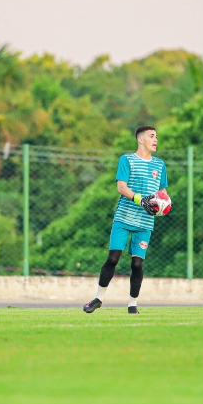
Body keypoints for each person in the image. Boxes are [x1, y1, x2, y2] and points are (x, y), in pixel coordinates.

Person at [84, 126, 168, 315]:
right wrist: (141, 200)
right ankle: (98, 299)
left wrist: (164, 206)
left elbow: (162, 193)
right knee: (113, 258)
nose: (156, 139)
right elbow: (121, 187)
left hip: (145, 222)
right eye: (152, 136)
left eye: (156, 136)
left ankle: (132, 305)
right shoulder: (127, 160)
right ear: (141, 139)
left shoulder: (160, 165)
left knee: (137, 264)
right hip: (124, 218)